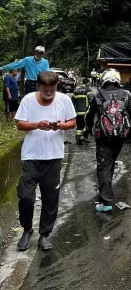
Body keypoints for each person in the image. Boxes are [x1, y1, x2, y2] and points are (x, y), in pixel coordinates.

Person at [14, 71, 76, 251]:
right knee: (25, 196)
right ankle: (27, 230)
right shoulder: (28, 100)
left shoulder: (64, 100)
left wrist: (60, 125)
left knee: (50, 198)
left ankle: (44, 235)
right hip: (31, 156)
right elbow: (19, 124)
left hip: (53, 156)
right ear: (38, 87)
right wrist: (36, 125)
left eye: (52, 89)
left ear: (57, 87)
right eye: (45, 90)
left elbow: (73, 123)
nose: (49, 93)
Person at [84, 68, 131, 212]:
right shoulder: (126, 95)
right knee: (109, 163)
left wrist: (86, 130)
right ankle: (105, 192)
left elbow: (88, 116)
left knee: (104, 165)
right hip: (120, 138)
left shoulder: (97, 95)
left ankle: (106, 201)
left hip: (102, 138)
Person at [72, 78, 94, 144]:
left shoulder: (76, 91)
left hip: (78, 112)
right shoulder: (88, 90)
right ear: (87, 83)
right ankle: (83, 136)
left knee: (79, 125)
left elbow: (72, 102)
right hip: (86, 112)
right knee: (87, 125)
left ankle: (78, 138)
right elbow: (91, 100)